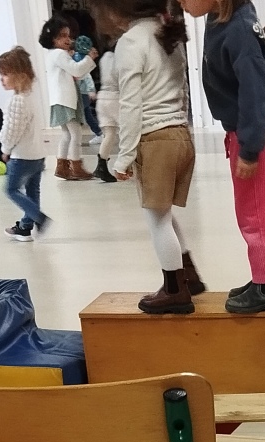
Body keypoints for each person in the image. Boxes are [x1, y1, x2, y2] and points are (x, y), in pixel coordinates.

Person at [180, 0, 265, 315]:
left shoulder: (239, 28)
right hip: (246, 128)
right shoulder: (220, 19)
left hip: (256, 130)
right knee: (250, 209)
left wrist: (250, 148)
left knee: (258, 212)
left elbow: (255, 91)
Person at [94, 0, 204, 314]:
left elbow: (131, 105)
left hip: (155, 139)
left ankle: (174, 290)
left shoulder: (131, 41)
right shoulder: (166, 33)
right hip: (180, 134)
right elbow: (182, 89)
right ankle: (188, 276)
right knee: (163, 214)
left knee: (156, 220)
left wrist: (123, 157)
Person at [0, 47, 49, 242]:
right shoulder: (32, 97)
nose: (1, 79)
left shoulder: (17, 101)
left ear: (20, 76)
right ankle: (26, 227)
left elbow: (12, 131)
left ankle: (39, 217)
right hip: (37, 154)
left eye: (5, 74)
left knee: (10, 190)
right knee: (33, 191)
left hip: (22, 156)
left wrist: (5, 149)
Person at [40, 15, 99, 182]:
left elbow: (74, 72)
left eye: (68, 35)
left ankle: (62, 167)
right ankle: (76, 167)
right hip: (65, 100)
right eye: (62, 36)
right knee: (76, 133)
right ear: (53, 39)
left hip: (59, 100)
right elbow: (77, 70)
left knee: (67, 134)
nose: (68, 39)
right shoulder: (59, 54)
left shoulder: (53, 54)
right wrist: (89, 58)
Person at [92, 36, 120, 183]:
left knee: (109, 134)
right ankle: (127, 166)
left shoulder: (104, 58)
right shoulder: (120, 58)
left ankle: (101, 166)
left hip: (102, 97)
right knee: (129, 132)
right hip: (116, 97)